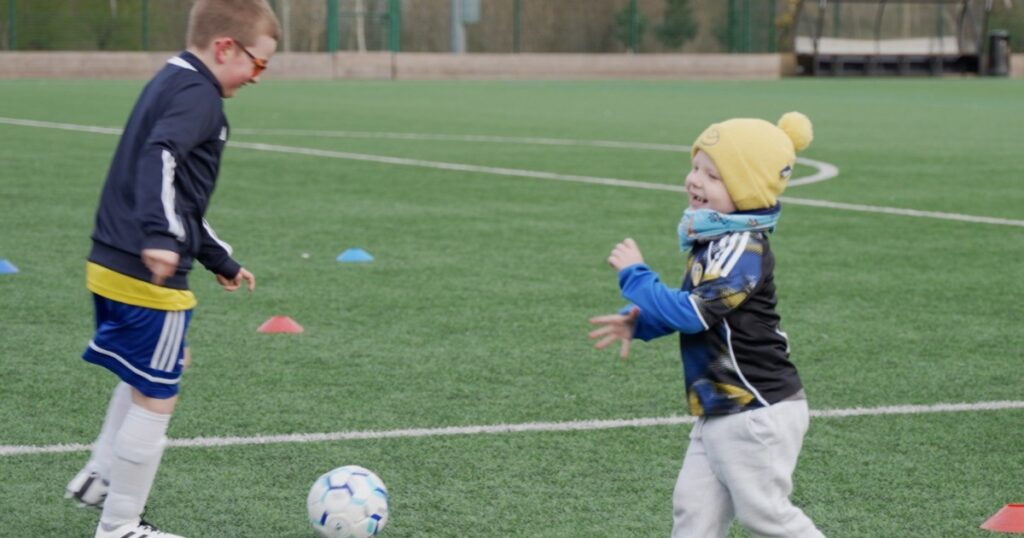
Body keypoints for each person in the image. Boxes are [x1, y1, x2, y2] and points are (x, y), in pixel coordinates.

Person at [64, 1, 279, 536]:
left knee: (154, 369)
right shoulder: (199, 95)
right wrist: (161, 238)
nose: (258, 77)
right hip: (146, 270)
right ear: (225, 46)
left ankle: (101, 475)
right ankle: (119, 526)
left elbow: (180, 195)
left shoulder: (172, 80)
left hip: (111, 259)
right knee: (159, 392)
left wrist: (217, 258)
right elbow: (160, 157)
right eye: (258, 64)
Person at [588, 112, 824, 537]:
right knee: (694, 511)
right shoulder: (716, 239)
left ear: (747, 189)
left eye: (713, 175)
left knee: (764, 514)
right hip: (720, 407)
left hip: (757, 407)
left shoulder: (743, 247)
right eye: (696, 167)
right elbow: (696, 311)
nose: (695, 180)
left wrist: (636, 275)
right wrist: (640, 323)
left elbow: (694, 314)